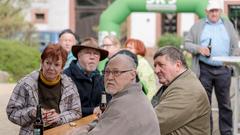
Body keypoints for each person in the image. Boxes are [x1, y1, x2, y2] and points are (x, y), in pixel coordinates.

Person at [67, 53, 160, 135]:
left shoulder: (124, 104)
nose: (110, 77)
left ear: (132, 74)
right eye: (107, 72)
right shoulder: (133, 94)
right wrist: (87, 127)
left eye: (116, 72)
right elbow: (106, 120)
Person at [184, 0, 239, 134]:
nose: (214, 13)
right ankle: (206, 131)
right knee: (204, 104)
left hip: (223, 69)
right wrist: (199, 49)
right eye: (211, 11)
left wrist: (230, 63)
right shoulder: (198, 26)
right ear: (206, 12)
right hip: (204, 69)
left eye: (216, 11)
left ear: (220, 11)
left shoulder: (228, 25)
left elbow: (235, 45)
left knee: (225, 104)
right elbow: (187, 43)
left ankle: (226, 132)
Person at [6, 44, 82, 135]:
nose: (51, 68)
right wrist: (33, 112)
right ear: (42, 63)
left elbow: (76, 112)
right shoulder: (26, 84)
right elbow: (12, 113)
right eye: (48, 63)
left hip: (61, 131)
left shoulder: (69, 84)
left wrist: (59, 117)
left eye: (57, 65)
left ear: (62, 68)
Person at [152, 46, 210, 135]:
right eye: (155, 66)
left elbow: (153, 123)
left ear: (177, 65)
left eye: (161, 65)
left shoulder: (188, 90)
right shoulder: (178, 81)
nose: (156, 70)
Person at [64, 37, 109, 117]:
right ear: (79, 55)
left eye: (96, 54)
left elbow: (108, 100)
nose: (92, 57)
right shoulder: (66, 77)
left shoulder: (100, 78)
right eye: (88, 53)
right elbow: (65, 107)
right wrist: (92, 110)